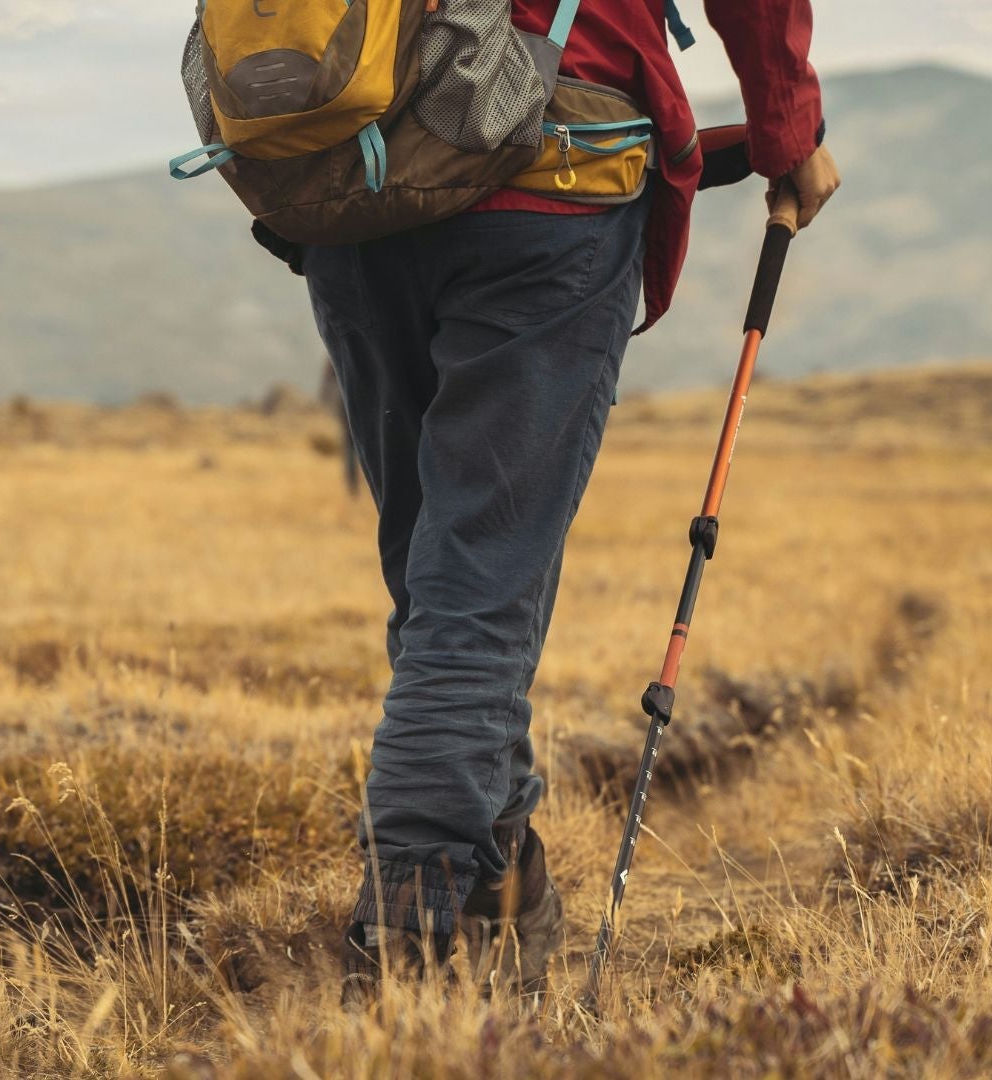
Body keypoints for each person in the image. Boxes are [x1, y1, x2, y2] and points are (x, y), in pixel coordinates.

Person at [307, 0, 842, 998]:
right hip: (548, 173)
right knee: (469, 594)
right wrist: (788, 130)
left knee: (441, 584)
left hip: (354, 178)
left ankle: (501, 880)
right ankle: (404, 944)